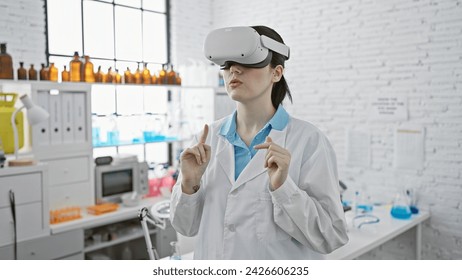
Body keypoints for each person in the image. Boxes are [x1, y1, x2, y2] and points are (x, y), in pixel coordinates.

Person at [170, 25, 348, 259]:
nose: (234, 69)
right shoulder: (207, 139)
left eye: (248, 61)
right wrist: (189, 184)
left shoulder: (309, 141)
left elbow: (331, 236)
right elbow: (185, 227)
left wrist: (284, 189)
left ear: (276, 73)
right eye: (227, 64)